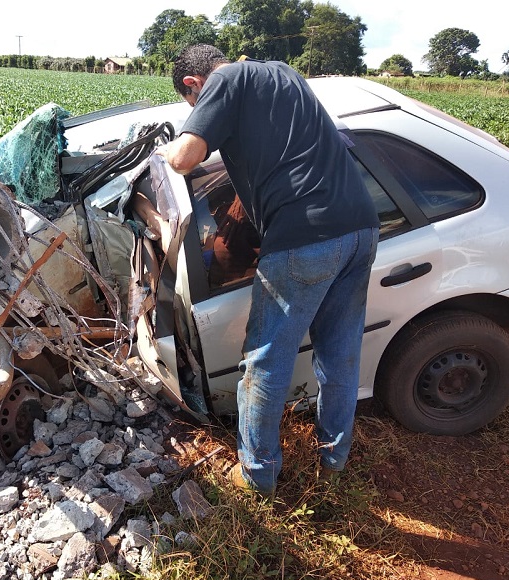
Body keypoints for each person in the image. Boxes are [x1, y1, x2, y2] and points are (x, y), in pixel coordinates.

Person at [156, 44, 380, 496]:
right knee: (339, 352)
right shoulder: (283, 72)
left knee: (265, 362)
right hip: (360, 228)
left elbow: (184, 158)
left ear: (192, 86)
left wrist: (164, 151)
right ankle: (333, 458)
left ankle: (257, 476)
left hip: (304, 238)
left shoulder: (223, 81)